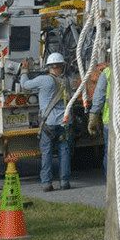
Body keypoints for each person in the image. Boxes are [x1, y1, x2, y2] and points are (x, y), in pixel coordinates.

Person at [19, 53, 77, 191]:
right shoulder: (67, 81)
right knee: (64, 152)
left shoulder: (44, 80)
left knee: (47, 153)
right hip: (65, 122)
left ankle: (46, 183)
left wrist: (24, 71)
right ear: (62, 66)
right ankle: (64, 182)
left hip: (48, 123)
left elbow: (25, 85)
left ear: (49, 66)